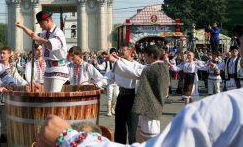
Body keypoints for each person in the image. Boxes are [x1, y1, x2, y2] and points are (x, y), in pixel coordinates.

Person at [38, 87, 243, 147]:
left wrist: (70, 137)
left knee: (144, 129)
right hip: (128, 99)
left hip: (134, 99)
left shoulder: (222, 109)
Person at [16, 10, 69, 92]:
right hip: (48, 69)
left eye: (41, 23)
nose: (40, 26)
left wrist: (38, 39)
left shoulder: (58, 33)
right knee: (47, 96)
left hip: (59, 69)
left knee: (53, 96)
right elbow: (33, 35)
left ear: (47, 21)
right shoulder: (45, 33)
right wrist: (22, 27)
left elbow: (50, 44)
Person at [107, 44, 145, 144]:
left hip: (133, 98)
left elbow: (130, 71)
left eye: (123, 50)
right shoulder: (118, 65)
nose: (120, 52)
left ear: (130, 51)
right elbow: (109, 77)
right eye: (120, 50)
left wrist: (117, 61)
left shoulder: (137, 65)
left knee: (133, 129)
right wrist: (96, 83)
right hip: (121, 96)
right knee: (119, 127)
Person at [131, 45, 170, 142]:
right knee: (144, 134)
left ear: (151, 55)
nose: (144, 58)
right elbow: (167, 85)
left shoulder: (148, 69)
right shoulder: (164, 66)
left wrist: (119, 62)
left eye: (145, 55)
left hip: (148, 106)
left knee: (149, 136)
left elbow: (134, 74)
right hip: (156, 105)